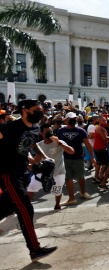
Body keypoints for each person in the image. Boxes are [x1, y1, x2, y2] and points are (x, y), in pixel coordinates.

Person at [0, 99, 57, 261]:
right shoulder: (9, 127)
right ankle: (35, 249)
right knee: (24, 208)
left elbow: (31, 144)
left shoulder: (35, 126)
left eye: (42, 108)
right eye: (37, 109)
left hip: (23, 171)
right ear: (25, 110)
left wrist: (44, 158)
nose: (41, 111)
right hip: (9, 173)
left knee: (6, 207)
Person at [27, 124, 74, 210]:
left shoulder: (59, 142)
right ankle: (25, 206)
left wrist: (59, 143)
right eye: (47, 132)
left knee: (57, 190)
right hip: (43, 171)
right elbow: (37, 159)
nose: (50, 133)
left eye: (51, 131)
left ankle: (57, 205)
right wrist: (32, 164)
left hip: (58, 171)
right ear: (42, 134)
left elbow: (71, 151)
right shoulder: (39, 145)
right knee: (32, 186)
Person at [57, 112, 94, 206]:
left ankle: (82, 192)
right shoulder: (60, 131)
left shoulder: (81, 130)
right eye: (71, 118)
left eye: (75, 118)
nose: (74, 120)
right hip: (65, 158)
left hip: (78, 158)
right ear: (66, 120)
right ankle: (71, 198)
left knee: (81, 177)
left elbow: (88, 144)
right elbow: (57, 145)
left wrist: (92, 158)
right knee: (68, 178)